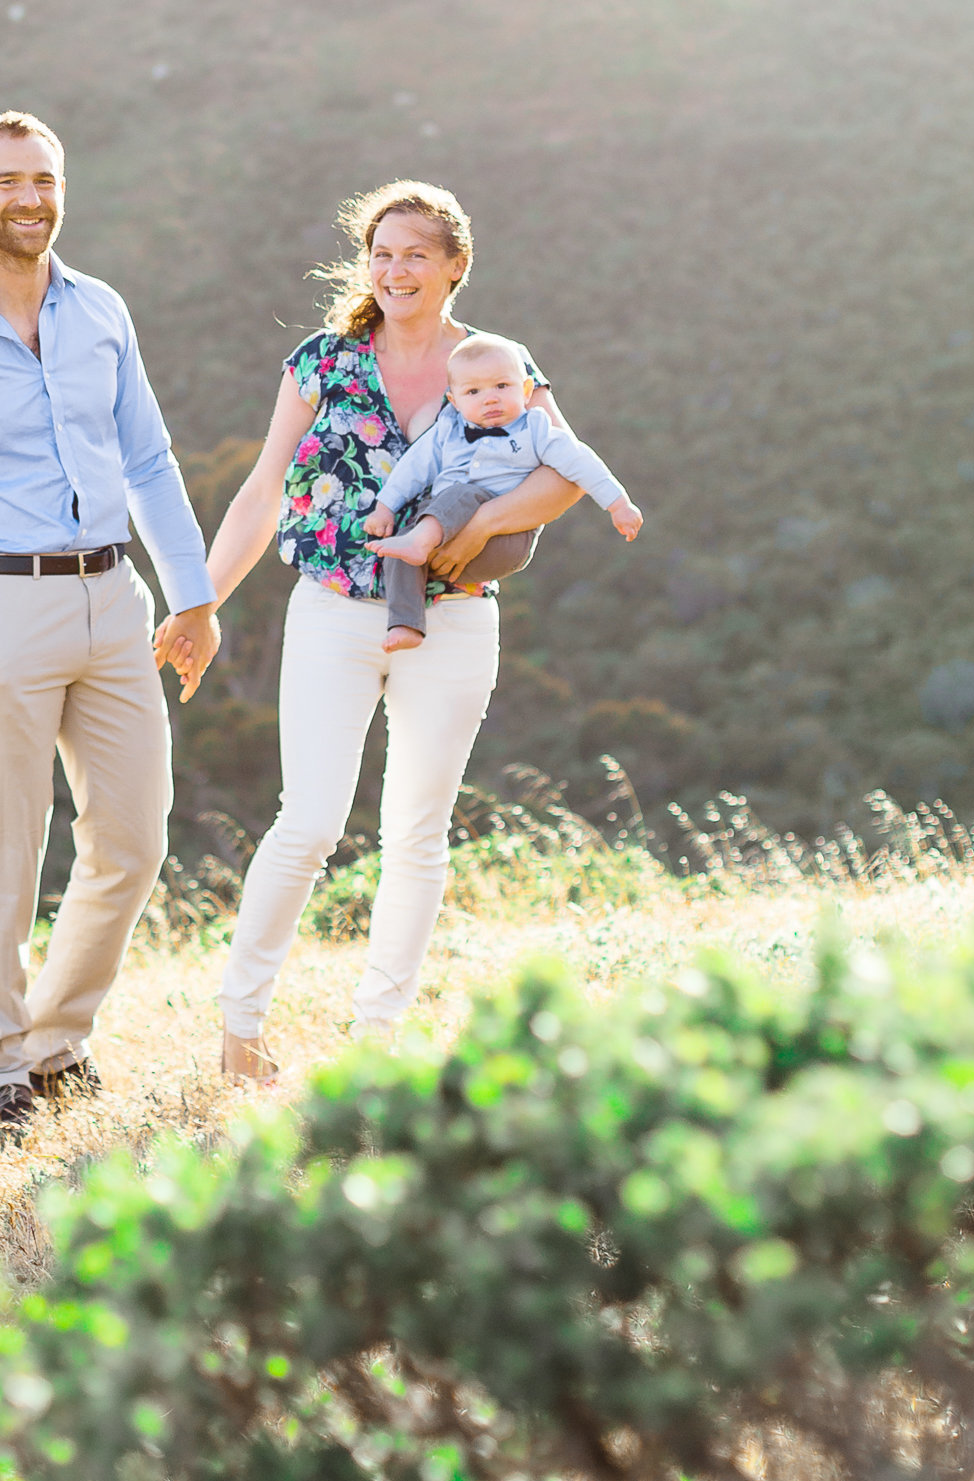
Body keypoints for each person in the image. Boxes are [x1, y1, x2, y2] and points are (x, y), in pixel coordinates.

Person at [162, 179, 583, 1085]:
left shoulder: (496, 362)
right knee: (306, 823)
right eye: (381, 254)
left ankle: (376, 1039)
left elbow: (563, 477)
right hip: (329, 611)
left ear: (454, 267)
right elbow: (262, 488)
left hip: (455, 620)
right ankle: (240, 1033)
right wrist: (201, 601)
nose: (395, 271)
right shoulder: (323, 360)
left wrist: (466, 536)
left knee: (415, 832)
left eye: (416, 255)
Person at [0, 112, 220, 1131]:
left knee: (133, 837)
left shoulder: (100, 311)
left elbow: (148, 461)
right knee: (6, 846)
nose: (30, 195)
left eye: (45, 177)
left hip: (113, 600)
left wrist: (191, 593)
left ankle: (57, 1037)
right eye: (8, 179)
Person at [369, 330, 643, 632]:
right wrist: (384, 508)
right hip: (443, 542)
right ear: (454, 400)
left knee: (459, 495)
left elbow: (580, 461)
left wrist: (618, 504)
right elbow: (414, 467)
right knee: (398, 551)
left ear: (526, 389)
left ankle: (421, 542)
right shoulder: (448, 428)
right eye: (473, 392)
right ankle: (405, 625)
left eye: (502, 385)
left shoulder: (535, 429)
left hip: (505, 541)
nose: (490, 398)